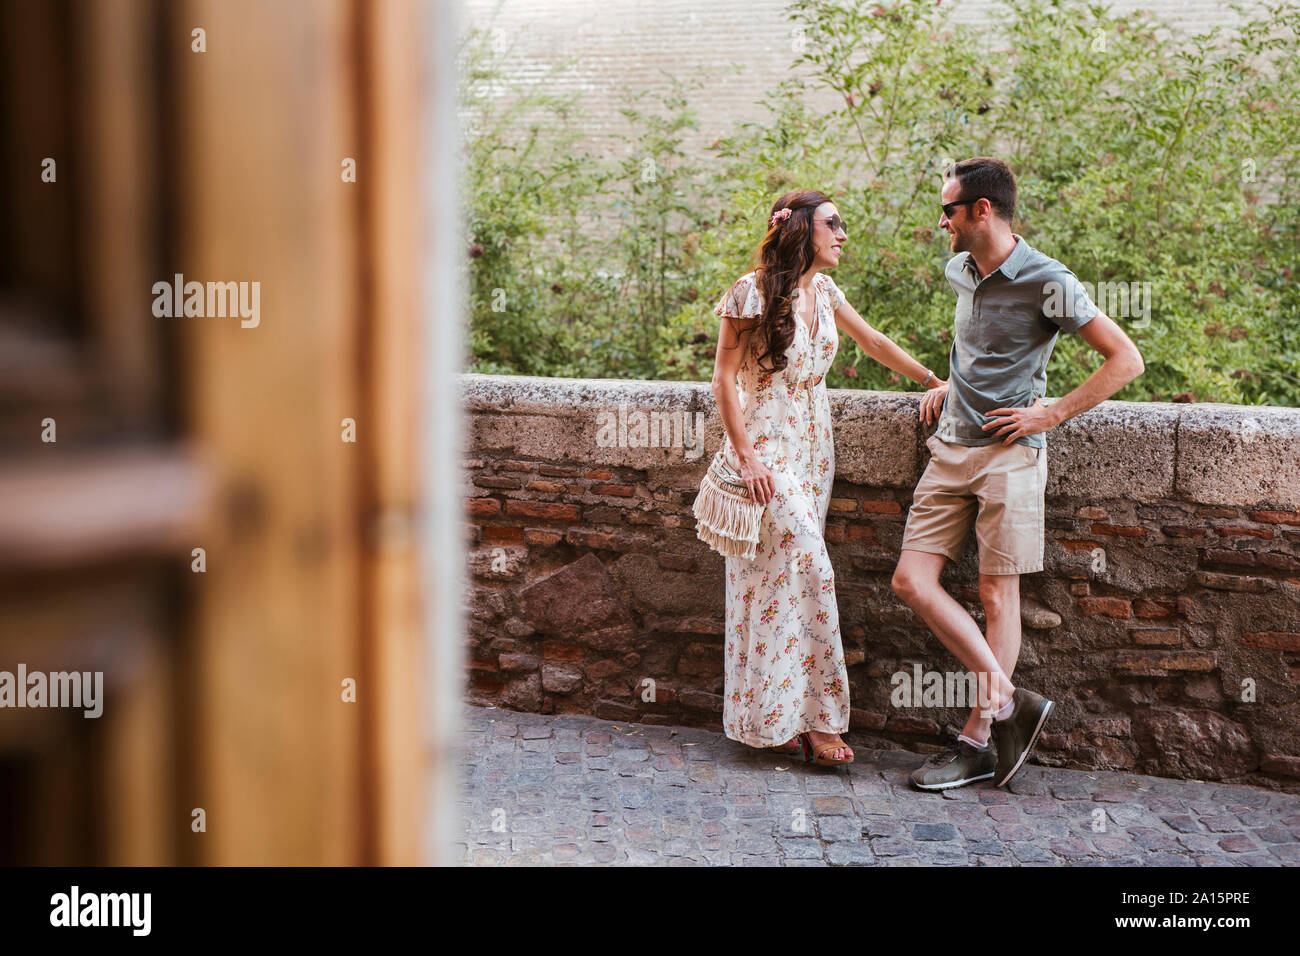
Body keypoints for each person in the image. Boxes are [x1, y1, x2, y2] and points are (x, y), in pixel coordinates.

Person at [894, 157, 1145, 790]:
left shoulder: (1048, 280)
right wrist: (949, 383)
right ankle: (1010, 700)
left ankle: (979, 738)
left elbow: (1125, 359)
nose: (940, 220)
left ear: (982, 210)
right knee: (910, 580)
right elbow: (980, 348)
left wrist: (1051, 413)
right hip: (949, 448)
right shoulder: (959, 269)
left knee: (997, 595)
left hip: (1009, 455)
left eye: (948, 208)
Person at [710, 189, 949, 766]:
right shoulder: (751, 291)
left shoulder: (825, 289)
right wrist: (746, 457)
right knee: (807, 565)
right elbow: (722, 378)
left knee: (781, 580)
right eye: (833, 224)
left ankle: (779, 718)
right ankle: (819, 721)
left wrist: (933, 381)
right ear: (800, 230)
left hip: (816, 447)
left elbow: (872, 342)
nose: (843, 234)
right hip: (764, 445)